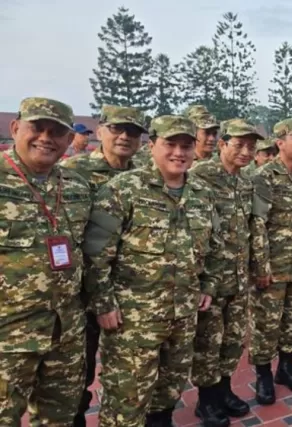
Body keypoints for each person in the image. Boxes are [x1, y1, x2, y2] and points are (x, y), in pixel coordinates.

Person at [82, 115, 224, 427]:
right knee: (126, 399)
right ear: (152, 145)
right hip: (133, 321)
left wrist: (208, 285)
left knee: (169, 389)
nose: (179, 152)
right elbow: (96, 256)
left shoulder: (202, 192)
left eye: (186, 146)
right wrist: (104, 304)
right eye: (170, 144)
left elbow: (215, 246)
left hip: (183, 314)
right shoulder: (122, 190)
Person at [0, 97, 91, 427]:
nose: (46, 138)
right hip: (8, 337)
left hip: (65, 331)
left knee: (59, 418)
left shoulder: (77, 188)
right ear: (15, 128)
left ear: (69, 140)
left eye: (57, 132)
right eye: (37, 128)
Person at [60, 105, 148, 427]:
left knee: (126, 371)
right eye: (117, 129)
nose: (125, 137)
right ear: (100, 131)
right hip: (83, 293)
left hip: (128, 291)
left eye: (133, 132)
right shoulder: (74, 171)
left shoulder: (144, 174)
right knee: (76, 374)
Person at [189, 119, 263, 425]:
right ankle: (206, 401)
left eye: (251, 146)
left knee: (233, 338)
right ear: (222, 145)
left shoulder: (246, 182)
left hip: (239, 277)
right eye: (239, 145)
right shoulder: (200, 177)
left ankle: (224, 390)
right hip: (212, 278)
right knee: (209, 340)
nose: (246, 152)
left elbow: (252, 228)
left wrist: (257, 266)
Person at [249, 118, 292, 405]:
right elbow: (257, 225)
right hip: (272, 268)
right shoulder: (264, 177)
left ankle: (286, 368)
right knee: (266, 324)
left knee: (291, 321)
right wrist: (261, 267)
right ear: (280, 144)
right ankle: (263, 375)